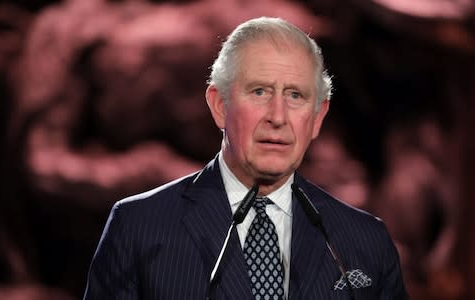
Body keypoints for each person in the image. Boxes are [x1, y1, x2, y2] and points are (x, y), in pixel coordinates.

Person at [83, 17, 408, 299]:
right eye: (259, 92)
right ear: (220, 105)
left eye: (295, 95)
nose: (278, 117)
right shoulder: (138, 228)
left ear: (318, 117)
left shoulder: (366, 242)